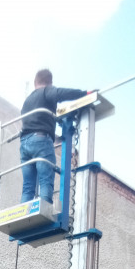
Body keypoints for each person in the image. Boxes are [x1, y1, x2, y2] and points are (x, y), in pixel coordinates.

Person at [20, 69, 88, 204]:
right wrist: (84, 94)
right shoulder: (46, 91)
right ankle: (44, 208)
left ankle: (24, 211)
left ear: (35, 82)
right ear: (50, 82)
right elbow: (61, 93)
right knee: (45, 180)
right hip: (40, 140)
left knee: (28, 186)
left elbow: (37, 118)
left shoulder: (27, 101)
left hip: (24, 144)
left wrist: (57, 120)